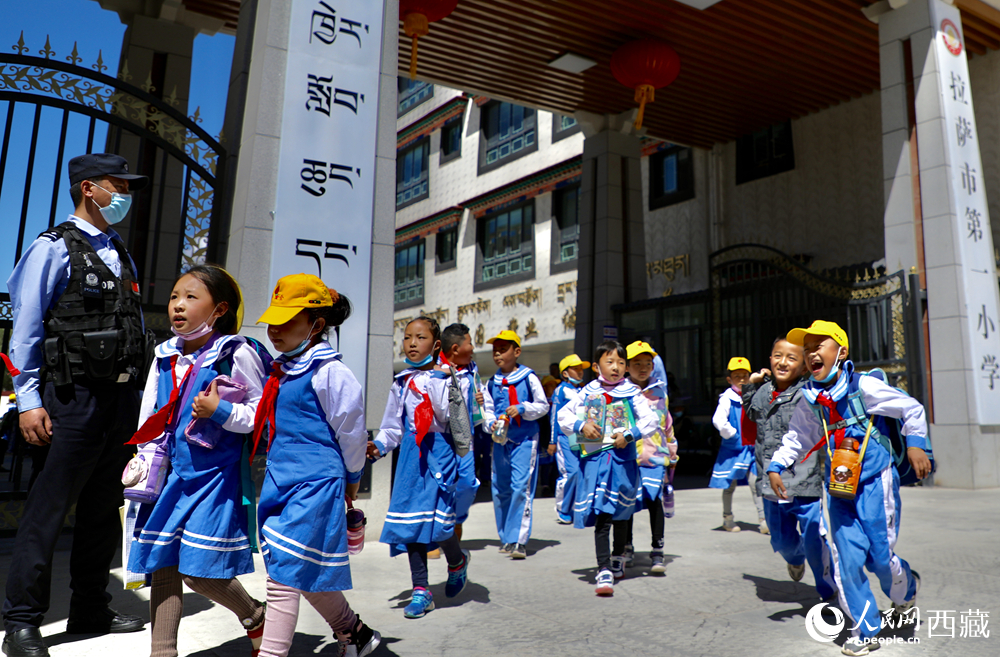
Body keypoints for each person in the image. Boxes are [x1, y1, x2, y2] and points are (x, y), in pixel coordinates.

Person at [3, 153, 148, 657]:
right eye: (117, 185)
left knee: (103, 509)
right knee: (47, 512)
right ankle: (21, 623)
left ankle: (90, 606)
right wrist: (28, 401)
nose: (124, 194)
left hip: (119, 400)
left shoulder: (120, 251)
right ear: (89, 189)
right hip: (71, 397)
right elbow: (25, 330)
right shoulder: (53, 247)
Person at [126, 265, 267, 657]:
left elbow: (260, 414)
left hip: (215, 478)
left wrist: (220, 410)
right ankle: (163, 652)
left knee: (199, 572)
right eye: (174, 296)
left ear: (219, 309)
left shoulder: (236, 352)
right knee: (163, 564)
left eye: (191, 297)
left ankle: (255, 615)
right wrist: (145, 461)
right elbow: (148, 413)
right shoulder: (164, 356)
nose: (178, 305)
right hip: (168, 476)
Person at [767, 321, 931, 656]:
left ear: (841, 351)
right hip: (839, 488)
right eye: (807, 349)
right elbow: (798, 436)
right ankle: (864, 629)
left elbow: (911, 408)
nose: (811, 353)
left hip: (876, 482)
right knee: (847, 558)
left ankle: (906, 587)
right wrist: (776, 465)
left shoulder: (864, 386)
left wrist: (917, 445)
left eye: (818, 346)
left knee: (880, 558)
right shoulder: (811, 399)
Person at [252, 274, 380, 657]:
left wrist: (353, 479)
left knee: (283, 577)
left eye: (287, 321)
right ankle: (353, 632)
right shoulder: (282, 370)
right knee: (300, 569)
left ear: (316, 324)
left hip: (314, 486)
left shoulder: (331, 372)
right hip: (281, 484)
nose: (275, 330)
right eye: (273, 321)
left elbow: (352, 433)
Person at [368, 317, 470, 620]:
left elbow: (448, 416)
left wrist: (438, 379)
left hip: (440, 453)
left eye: (420, 337)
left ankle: (457, 561)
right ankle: (421, 590)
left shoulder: (452, 378)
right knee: (412, 524)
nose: (412, 343)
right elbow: (392, 426)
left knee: (441, 526)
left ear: (436, 345)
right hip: (412, 458)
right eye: (407, 337)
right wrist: (379, 446)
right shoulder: (401, 382)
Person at [557, 340, 658, 596]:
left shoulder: (632, 392)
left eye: (621, 363)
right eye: (609, 362)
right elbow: (563, 416)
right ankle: (603, 568)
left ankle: (618, 556)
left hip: (623, 463)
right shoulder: (587, 392)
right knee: (603, 514)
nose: (616, 367)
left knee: (622, 514)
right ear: (596, 366)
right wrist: (582, 426)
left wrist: (630, 434)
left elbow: (651, 420)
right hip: (597, 462)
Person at [742, 337, 835, 601]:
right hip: (770, 483)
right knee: (782, 541)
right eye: (777, 356)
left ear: (804, 366)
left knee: (814, 537)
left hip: (804, 479)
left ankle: (829, 589)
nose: (782, 362)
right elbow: (751, 413)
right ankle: (795, 558)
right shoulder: (763, 391)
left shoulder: (809, 391)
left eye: (791, 358)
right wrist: (750, 385)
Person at [484, 330, 549, 559]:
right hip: (500, 440)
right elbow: (487, 410)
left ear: (517, 351)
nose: (498, 354)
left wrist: (522, 408)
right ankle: (505, 537)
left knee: (521, 487)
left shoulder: (528, 377)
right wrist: (490, 423)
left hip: (525, 439)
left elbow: (543, 405)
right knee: (500, 488)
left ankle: (518, 539)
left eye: (503, 349)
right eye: (495, 350)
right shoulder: (491, 382)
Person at [622, 340, 678, 575]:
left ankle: (657, 550)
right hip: (627, 457)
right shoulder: (620, 392)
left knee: (654, 501)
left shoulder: (659, 392)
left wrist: (672, 450)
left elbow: (667, 423)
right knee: (626, 504)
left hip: (655, 457)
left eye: (648, 363)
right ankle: (626, 547)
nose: (643, 368)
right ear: (626, 366)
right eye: (637, 363)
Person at [435, 323, 488, 539]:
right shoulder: (434, 368)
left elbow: (477, 399)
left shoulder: (472, 369)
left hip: (465, 438)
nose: (473, 348)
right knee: (440, 483)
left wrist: (480, 401)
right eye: (470, 343)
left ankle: (457, 519)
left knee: (467, 483)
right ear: (456, 349)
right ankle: (438, 533)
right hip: (440, 437)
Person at [710, 357, 765, 533]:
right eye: (737, 376)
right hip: (734, 448)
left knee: (755, 482)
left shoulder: (754, 394)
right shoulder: (727, 398)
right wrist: (732, 435)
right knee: (730, 484)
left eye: (744, 375)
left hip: (752, 447)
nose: (741, 379)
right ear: (729, 379)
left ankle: (763, 519)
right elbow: (718, 420)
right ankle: (727, 518)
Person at [549, 354, 588, 525]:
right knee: (570, 473)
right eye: (575, 368)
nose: (580, 372)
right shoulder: (560, 390)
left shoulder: (583, 390)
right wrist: (552, 441)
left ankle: (576, 508)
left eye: (581, 369)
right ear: (565, 373)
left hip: (581, 436)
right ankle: (563, 508)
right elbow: (554, 416)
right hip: (564, 438)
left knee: (582, 473)